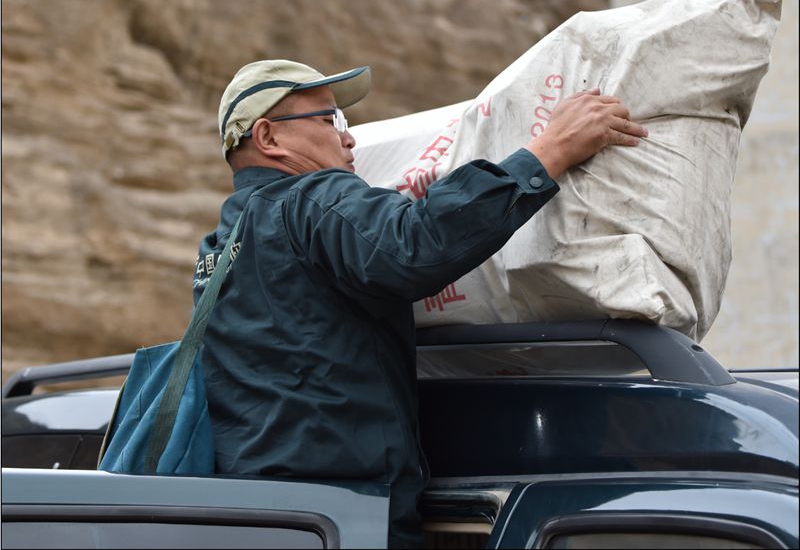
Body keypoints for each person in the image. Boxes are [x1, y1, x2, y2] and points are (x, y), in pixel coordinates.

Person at [193, 59, 647, 548]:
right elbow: (416, 243)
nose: (349, 138)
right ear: (268, 137)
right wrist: (549, 151)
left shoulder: (220, 245)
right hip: (342, 512)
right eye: (329, 120)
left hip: (256, 513)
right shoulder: (312, 199)